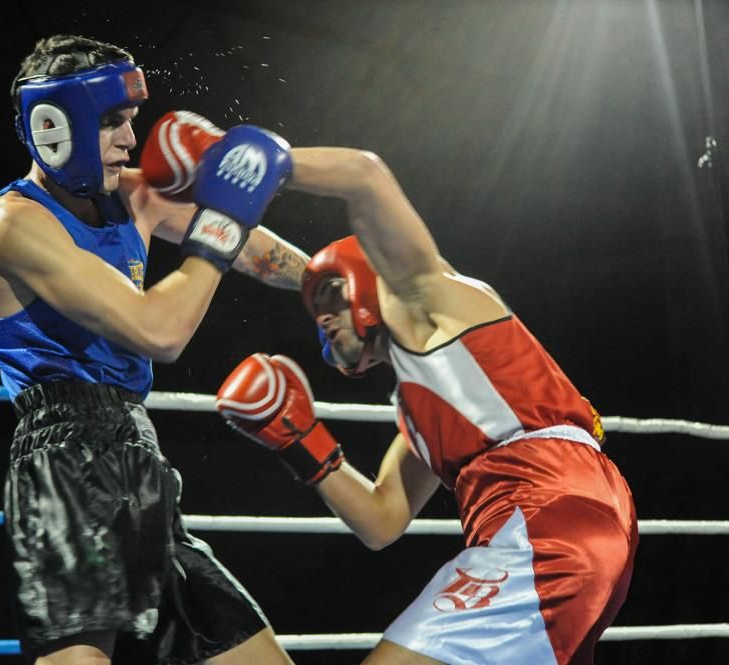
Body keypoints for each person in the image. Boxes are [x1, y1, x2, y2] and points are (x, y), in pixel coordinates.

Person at [215, 147, 638, 664]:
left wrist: (260, 159)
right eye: (314, 311)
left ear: (365, 285)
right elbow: (381, 521)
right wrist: (298, 440)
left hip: (548, 513)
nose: (321, 318)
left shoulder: (432, 301)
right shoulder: (423, 413)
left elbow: (366, 177)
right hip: (568, 522)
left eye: (330, 297)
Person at [0, 34, 307, 665]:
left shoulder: (134, 196)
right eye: (112, 124)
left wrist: (324, 283)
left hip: (140, 455)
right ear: (54, 126)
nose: (131, 140)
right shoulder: (13, 224)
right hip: (64, 459)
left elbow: (255, 253)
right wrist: (221, 222)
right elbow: (159, 331)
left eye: (131, 122)